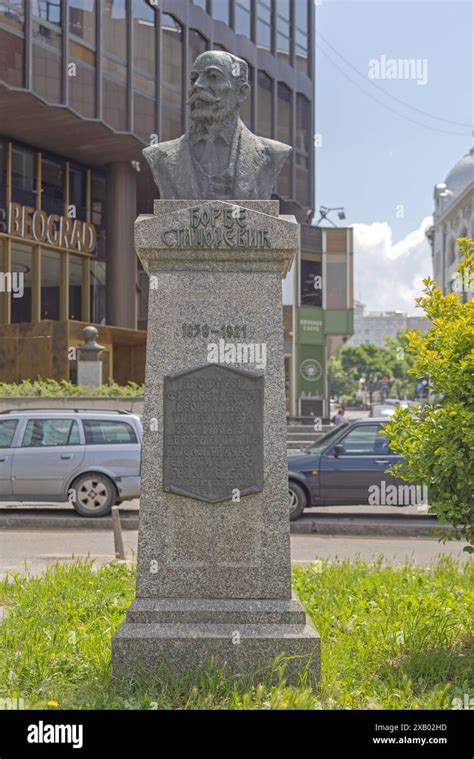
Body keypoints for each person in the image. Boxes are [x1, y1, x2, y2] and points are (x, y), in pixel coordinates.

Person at [143, 51, 292, 200]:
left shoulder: (273, 154)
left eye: (213, 77)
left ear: (241, 92)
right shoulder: (159, 156)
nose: (197, 85)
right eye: (194, 79)